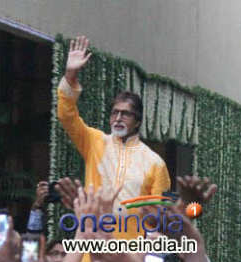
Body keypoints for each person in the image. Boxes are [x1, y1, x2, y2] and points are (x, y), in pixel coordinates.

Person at [57, 36, 171, 248]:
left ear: (137, 122)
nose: (118, 118)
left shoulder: (155, 163)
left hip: (129, 255)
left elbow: (157, 218)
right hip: (91, 249)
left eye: (125, 114)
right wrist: (71, 75)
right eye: (114, 113)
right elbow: (66, 115)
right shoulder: (95, 141)